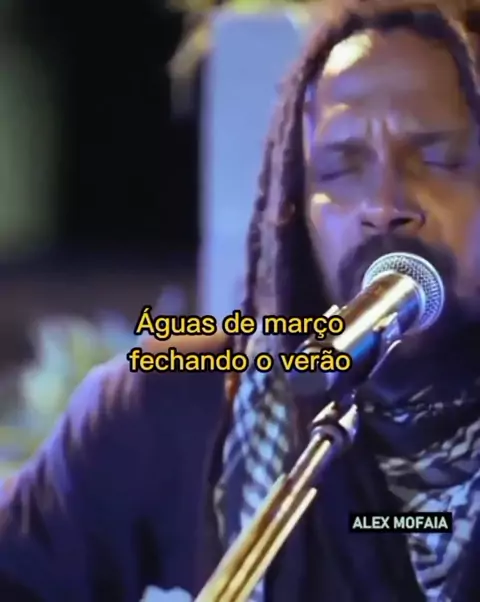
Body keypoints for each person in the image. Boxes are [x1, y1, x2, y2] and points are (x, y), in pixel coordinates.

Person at [2, 0, 480, 600]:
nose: (383, 205)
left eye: (438, 159)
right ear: (295, 208)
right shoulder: (178, 397)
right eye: (340, 168)